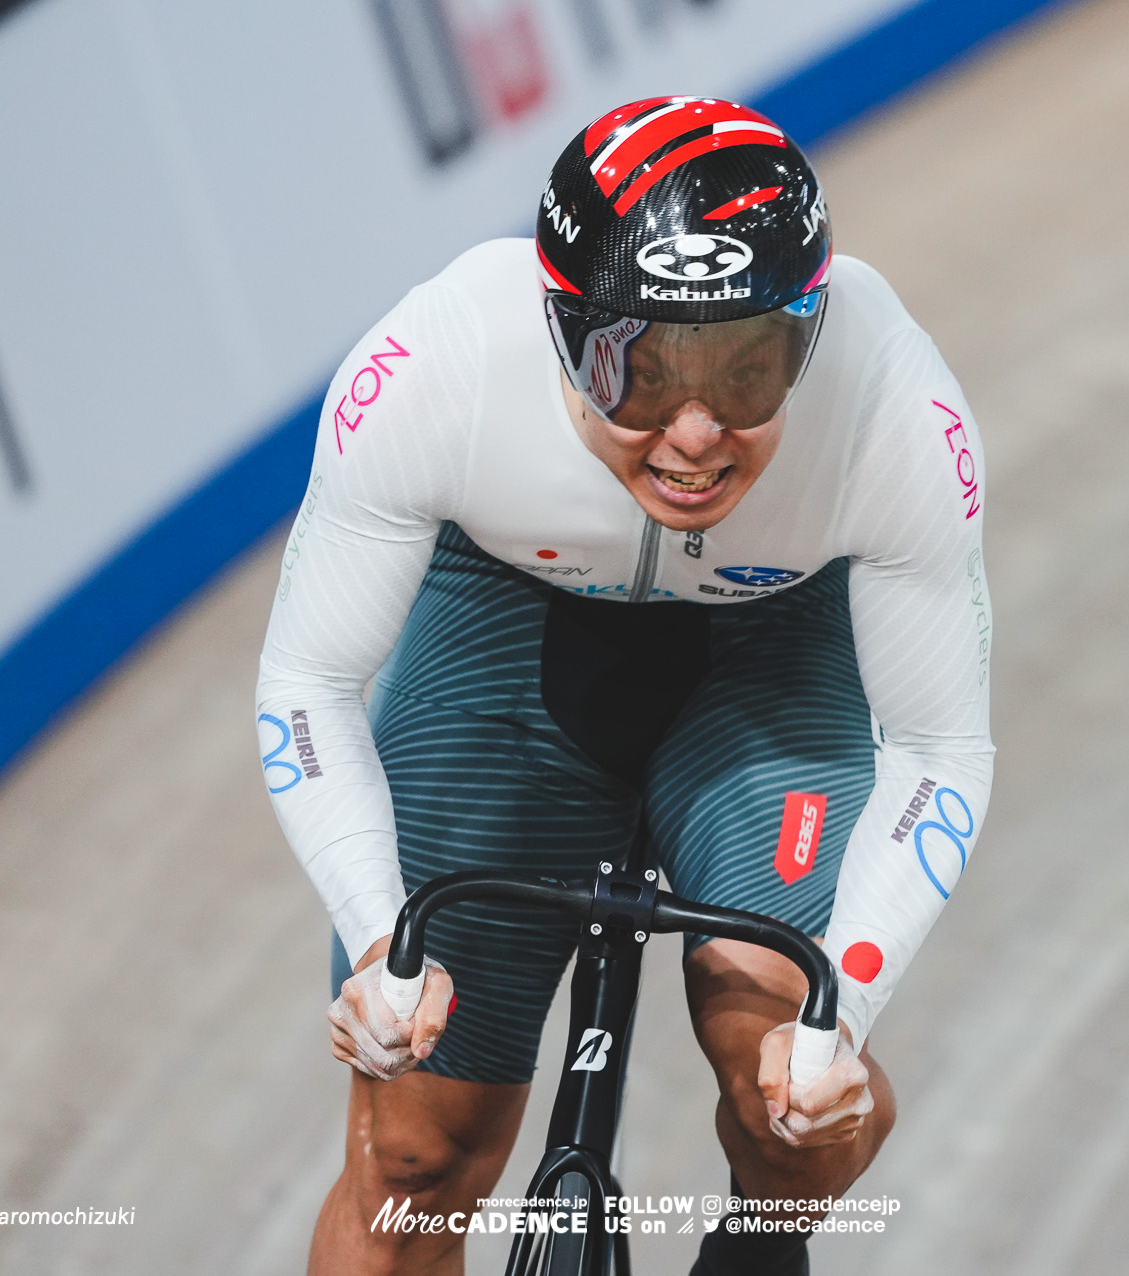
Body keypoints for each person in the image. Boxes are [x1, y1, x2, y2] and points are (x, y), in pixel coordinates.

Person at [257, 94, 992, 1275]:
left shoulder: (897, 408)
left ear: (811, 330)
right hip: (508, 633)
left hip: (766, 658)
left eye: (748, 372)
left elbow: (939, 749)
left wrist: (838, 1016)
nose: (695, 435)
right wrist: (377, 937)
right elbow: (308, 680)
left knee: (790, 1110)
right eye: (636, 375)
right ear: (559, 330)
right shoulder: (435, 362)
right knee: (411, 1162)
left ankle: (761, 1240)